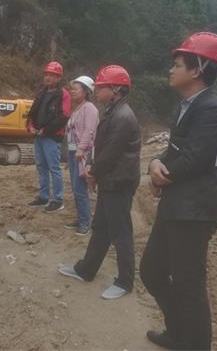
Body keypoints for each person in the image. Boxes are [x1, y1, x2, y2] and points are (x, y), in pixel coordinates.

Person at [140, 32, 217, 350]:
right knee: (152, 271)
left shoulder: (212, 109)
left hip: (195, 211)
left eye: (178, 64)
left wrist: (158, 179)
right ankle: (179, 333)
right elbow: (175, 151)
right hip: (177, 206)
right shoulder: (188, 106)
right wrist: (155, 161)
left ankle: (194, 343)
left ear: (197, 70)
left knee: (189, 285)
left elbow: (195, 160)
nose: (171, 69)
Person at [58, 65, 141, 299]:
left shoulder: (123, 116)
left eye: (102, 87)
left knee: (121, 232)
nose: (97, 90)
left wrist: (93, 173)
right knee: (102, 228)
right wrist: (94, 170)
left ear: (116, 89)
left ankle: (125, 282)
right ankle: (86, 270)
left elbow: (111, 153)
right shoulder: (113, 111)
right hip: (111, 180)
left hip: (119, 181)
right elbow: (103, 148)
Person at [27, 61, 71, 213]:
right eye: (46, 74)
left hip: (52, 137)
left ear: (59, 78)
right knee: (41, 167)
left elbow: (64, 116)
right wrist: (30, 126)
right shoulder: (42, 93)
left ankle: (58, 200)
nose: (47, 77)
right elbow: (33, 112)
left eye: (52, 75)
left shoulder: (63, 94)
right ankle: (44, 196)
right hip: (39, 136)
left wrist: (46, 130)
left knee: (54, 168)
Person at [64, 75, 99, 236]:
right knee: (75, 188)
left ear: (86, 91)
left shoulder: (89, 108)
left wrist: (81, 149)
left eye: (76, 89)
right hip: (74, 152)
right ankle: (81, 218)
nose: (72, 91)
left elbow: (89, 131)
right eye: (72, 89)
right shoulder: (77, 108)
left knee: (80, 189)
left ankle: (85, 222)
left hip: (82, 153)